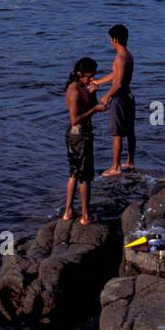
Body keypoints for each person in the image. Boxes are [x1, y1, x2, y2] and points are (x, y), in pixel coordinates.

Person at [62, 58, 104, 225]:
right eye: (89, 76)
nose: (91, 79)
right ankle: (85, 216)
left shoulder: (82, 87)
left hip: (80, 135)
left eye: (93, 76)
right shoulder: (74, 91)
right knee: (84, 177)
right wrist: (95, 109)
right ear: (79, 74)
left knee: (74, 172)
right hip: (79, 136)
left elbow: (89, 106)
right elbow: (75, 120)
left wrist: (93, 93)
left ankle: (68, 211)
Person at [93, 24, 136, 176]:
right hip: (129, 97)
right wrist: (98, 82)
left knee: (116, 133)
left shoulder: (119, 58)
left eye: (111, 39)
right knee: (130, 131)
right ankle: (130, 162)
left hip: (119, 99)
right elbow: (116, 75)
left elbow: (117, 83)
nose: (110, 42)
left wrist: (107, 95)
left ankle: (115, 167)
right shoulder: (128, 55)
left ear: (115, 39)